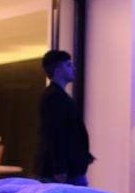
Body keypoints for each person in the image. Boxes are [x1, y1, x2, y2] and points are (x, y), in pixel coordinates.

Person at [36, 49, 94, 185]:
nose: (73, 68)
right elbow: (55, 132)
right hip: (64, 171)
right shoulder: (54, 97)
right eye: (68, 65)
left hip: (68, 168)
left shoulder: (58, 96)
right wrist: (59, 168)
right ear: (58, 69)